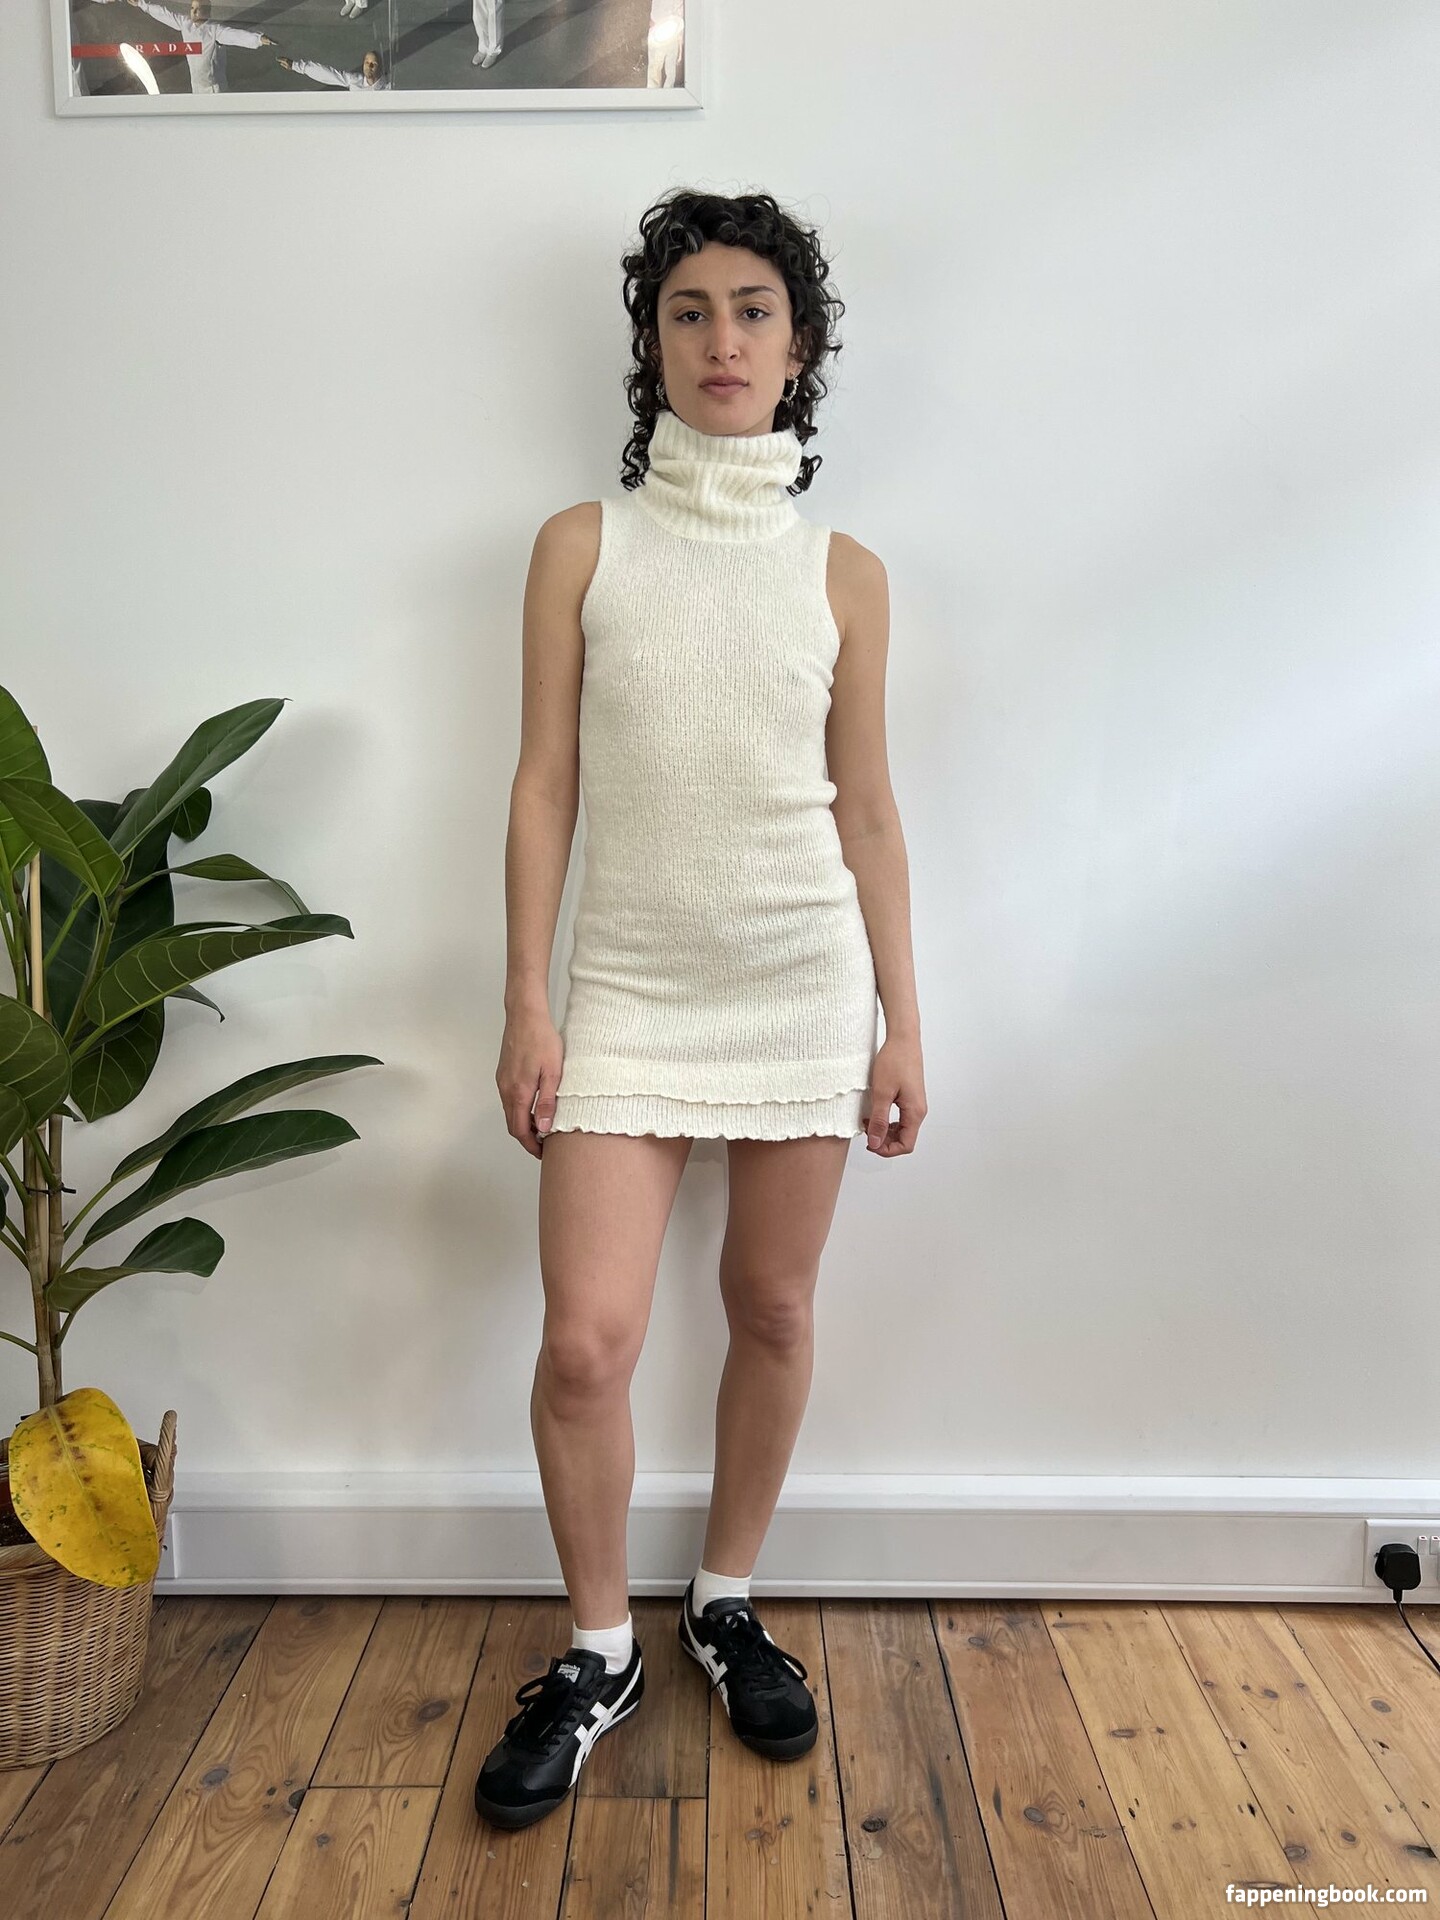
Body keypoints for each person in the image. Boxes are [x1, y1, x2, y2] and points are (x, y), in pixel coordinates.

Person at [477, 188, 926, 1833]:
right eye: (689, 311)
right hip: (629, 990)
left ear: (798, 349)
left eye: (752, 311)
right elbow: (544, 784)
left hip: (801, 982)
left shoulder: (846, 574)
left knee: (774, 1309)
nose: (720, 340)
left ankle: (724, 1601)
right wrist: (527, 1000)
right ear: (651, 343)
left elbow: (866, 808)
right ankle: (599, 1651)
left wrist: (902, 1020)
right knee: (584, 1345)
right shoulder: (580, 548)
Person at [91, 0, 275, 93]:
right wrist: (142, 4)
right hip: (197, 86)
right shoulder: (185, 24)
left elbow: (235, 35)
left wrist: (259, 39)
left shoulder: (214, 30)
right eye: (192, 8)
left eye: (198, 9)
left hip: (215, 89)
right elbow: (165, 14)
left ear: (207, 11)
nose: (194, 12)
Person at [277, 50, 388, 90]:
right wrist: (295, 66)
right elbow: (327, 74)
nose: (369, 66)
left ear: (380, 67)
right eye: (367, 62)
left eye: (374, 63)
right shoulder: (354, 80)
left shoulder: (389, 87)